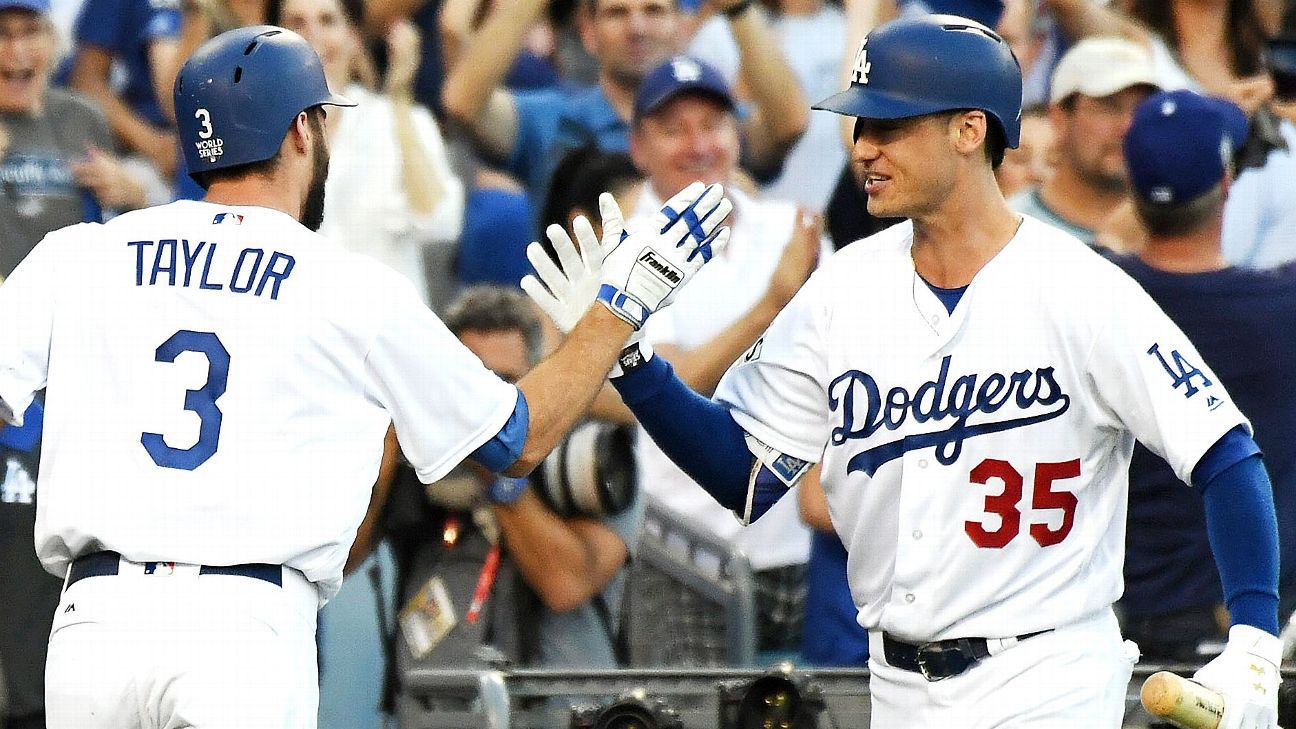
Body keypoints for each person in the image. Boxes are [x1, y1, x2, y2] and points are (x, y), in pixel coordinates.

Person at [528, 14, 1283, 729]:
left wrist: (1251, 634)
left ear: (968, 129)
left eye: (889, 124)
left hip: (1047, 673)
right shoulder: (841, 290)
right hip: (895, 686)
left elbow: (1224, 451)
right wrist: (627, 358)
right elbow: (745, 473)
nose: (863, 147)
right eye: (861, 124)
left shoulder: (1081, 287)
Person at [0, 24, 732, 728]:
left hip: (95, 624)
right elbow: (516, 439)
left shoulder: (84, 253)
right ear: (299, 132)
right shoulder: (347, 285)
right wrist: (618, 310)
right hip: (240, 629)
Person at [625, 54, 824, 657]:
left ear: (737, 134)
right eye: (673, 129)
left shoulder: (793, 225)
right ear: (638, 147)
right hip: (684, 546)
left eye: (712, 125)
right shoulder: (627, 244)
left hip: (796, 539)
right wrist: (771, 306)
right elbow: (666, 389)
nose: (698, 144)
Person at [1114, 89, 1296, 663]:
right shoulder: (1285, 303)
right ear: (1226, 184)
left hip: (1128, 633)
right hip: (1265, 627)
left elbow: (1112, 240)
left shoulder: (1096, 295)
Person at [440, 0, 808, 204]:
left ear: (683, 29)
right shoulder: (551, 117)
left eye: (654, 10)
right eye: (617, 12)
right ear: (588, 32)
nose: (637, 27)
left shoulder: (711, 129)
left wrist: (738, 9)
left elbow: (788, 124)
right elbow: (462, 103)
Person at [270, 0, 465, 306]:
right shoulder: (254, 134)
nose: (313, 37)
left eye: (327, 21)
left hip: (387, 333)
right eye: (296, 23)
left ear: (355, 37)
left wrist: (399, 97)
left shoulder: (399, 120)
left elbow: (440, 221)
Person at [1008, 36, 1160, 246]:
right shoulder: (1011, 230)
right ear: (1059, 118)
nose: (1127, 126)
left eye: (1142, 109)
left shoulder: (1176, 227)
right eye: (1108, 107)